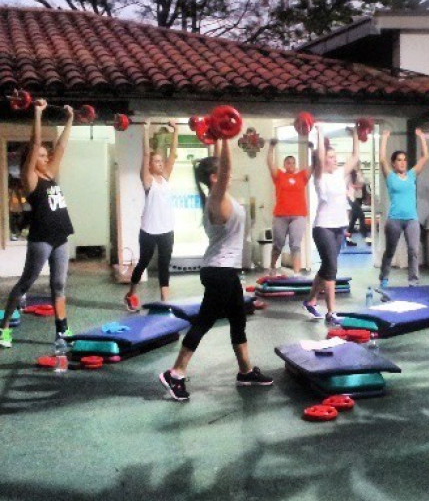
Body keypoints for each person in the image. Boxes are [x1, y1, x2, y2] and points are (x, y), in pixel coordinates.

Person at [159, 137, 272, 402]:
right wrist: (225, 137)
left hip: (225, 270)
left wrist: (218, 139)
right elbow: (225, 166)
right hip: (219, 271)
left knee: (238, 320)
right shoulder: (216, 198)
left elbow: (221, 167)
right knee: (204, 321)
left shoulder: (217, 196)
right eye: (222, 173)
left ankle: (245, 372)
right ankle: (175, 373)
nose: (229, 175)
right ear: (214, 177)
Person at [1, 100, 75, 348]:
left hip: (61, 235)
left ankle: (62, 331)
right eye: (41, 155)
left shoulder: (49, 174)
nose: (46, 157)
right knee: (26, 282)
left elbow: (61, 147)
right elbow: (34, 144)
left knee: (59, 284)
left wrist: (70, 119)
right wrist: (37, 113)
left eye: (46, 154)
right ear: (32, 159)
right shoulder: (29, 178)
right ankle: (4, 328)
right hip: (41, 238)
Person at [302, 126, 360, 325]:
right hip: (323, 228)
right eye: (331, 157)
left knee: (327, 266)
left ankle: (310, 300)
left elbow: (355, 156)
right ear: (323, 160)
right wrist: (320, 134)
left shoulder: (340, 174)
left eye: (336, 156)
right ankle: (331, 312)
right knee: (332, 268)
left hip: (339, 227)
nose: (335, 160)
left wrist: (355, 135)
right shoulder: (319, 176)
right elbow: (318, 157)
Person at [124, 121, 178, 311]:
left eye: (161, 161)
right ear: (150, 165)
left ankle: (165, 302)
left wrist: (176, 130)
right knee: (143, 263)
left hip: (167, 230)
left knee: (164, 265)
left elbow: (173, 154)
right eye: (156, 161)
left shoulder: (166, 178)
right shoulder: (148, 180)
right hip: (148, 230)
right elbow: (146, 154)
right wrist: (145, 130)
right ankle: (131, 294)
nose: (161, 163)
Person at [378, 127, 429, 287]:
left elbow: (425, 157)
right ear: (394, 163)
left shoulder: (412, 175)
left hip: (411, 219)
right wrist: (385, 138)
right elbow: (382, 159)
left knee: (413, 250)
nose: (402, 162)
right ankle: (384, 277)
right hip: (394, 219)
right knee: (390, 251)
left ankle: (413, 281)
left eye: (405, 160)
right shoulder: (390, 176)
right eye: (399, 160)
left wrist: (422, 137)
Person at [267, 138, 311, 275]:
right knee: (278, 244)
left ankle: (297, 274)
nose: (291, 165)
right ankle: (272, 267)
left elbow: (315, 165)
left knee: (295, 245)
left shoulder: (302, 176)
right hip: (281, 215)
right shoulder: (279, 175)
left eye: (293, 162)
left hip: (298, 215)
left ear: (295, 164)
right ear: (284, 164)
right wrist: (271, 147)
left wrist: (312, 149)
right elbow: (270, 163)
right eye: (288, 162)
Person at [346, 164, 368, 246]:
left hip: (359, 198)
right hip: (352, 198)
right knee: (361, 215)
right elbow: (350, 185)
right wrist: (358, 186)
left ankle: (348, 238)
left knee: (353, 219)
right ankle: (365, 236)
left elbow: (364, 183)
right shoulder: (349, 175)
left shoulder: (359, 173)